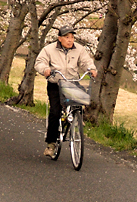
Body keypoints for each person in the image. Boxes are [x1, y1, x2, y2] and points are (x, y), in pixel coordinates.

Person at [35, 25, 97, 159]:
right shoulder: (49, 49)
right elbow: (39, 62)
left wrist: (91, 69)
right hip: (55, 83)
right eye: (67, 37)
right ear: (60, 38)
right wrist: (45, 69)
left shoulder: (79, 49)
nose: (70, 40)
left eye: (72, 37)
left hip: (72, 82)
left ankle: (76, 120)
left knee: (81, 101)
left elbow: (86, 62)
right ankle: (51, 144)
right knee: (55, 112)